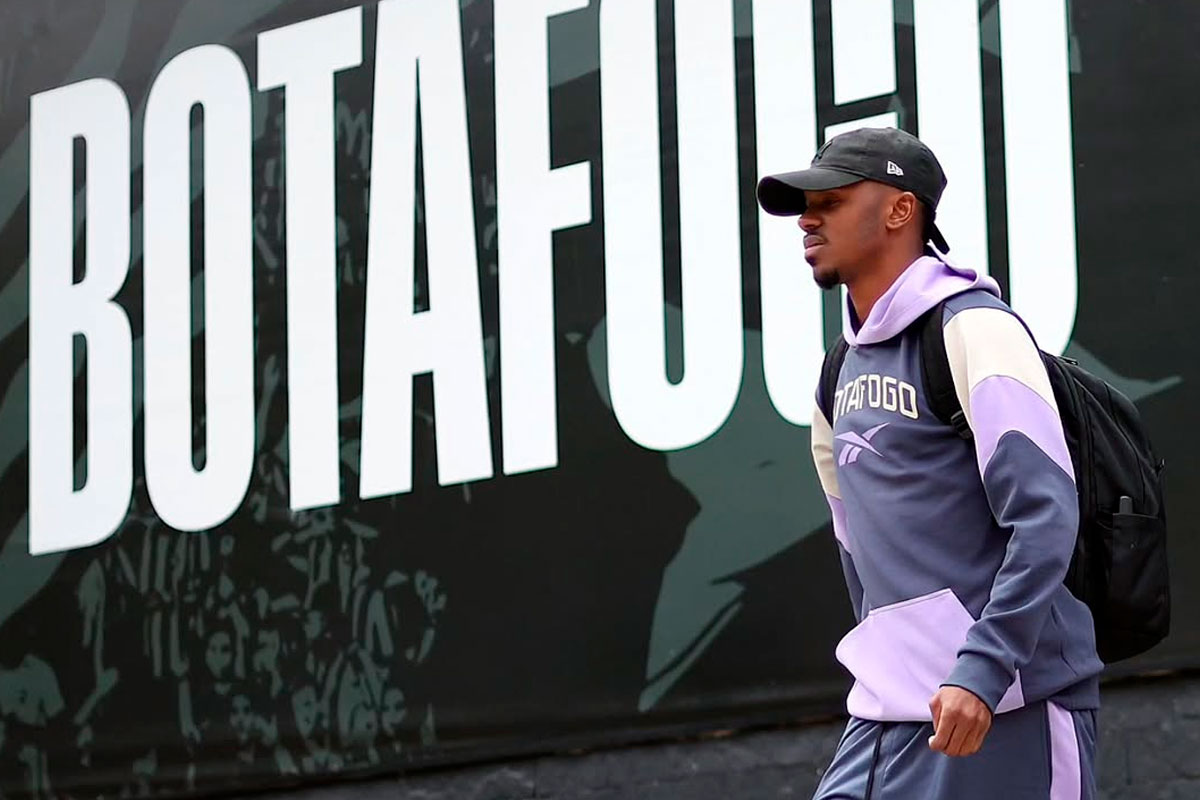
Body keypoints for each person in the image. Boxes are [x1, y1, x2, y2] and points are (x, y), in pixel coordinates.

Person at [757, 127, 1102, 799]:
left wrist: (983, 669)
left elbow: (1046, 516)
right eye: (806, 205)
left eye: (831, 200)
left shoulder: (975, 327)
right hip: (885, 713)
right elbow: (856, 550)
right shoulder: (837, 371)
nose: (807, 219)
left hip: (1005, 704)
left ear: (899, 209)